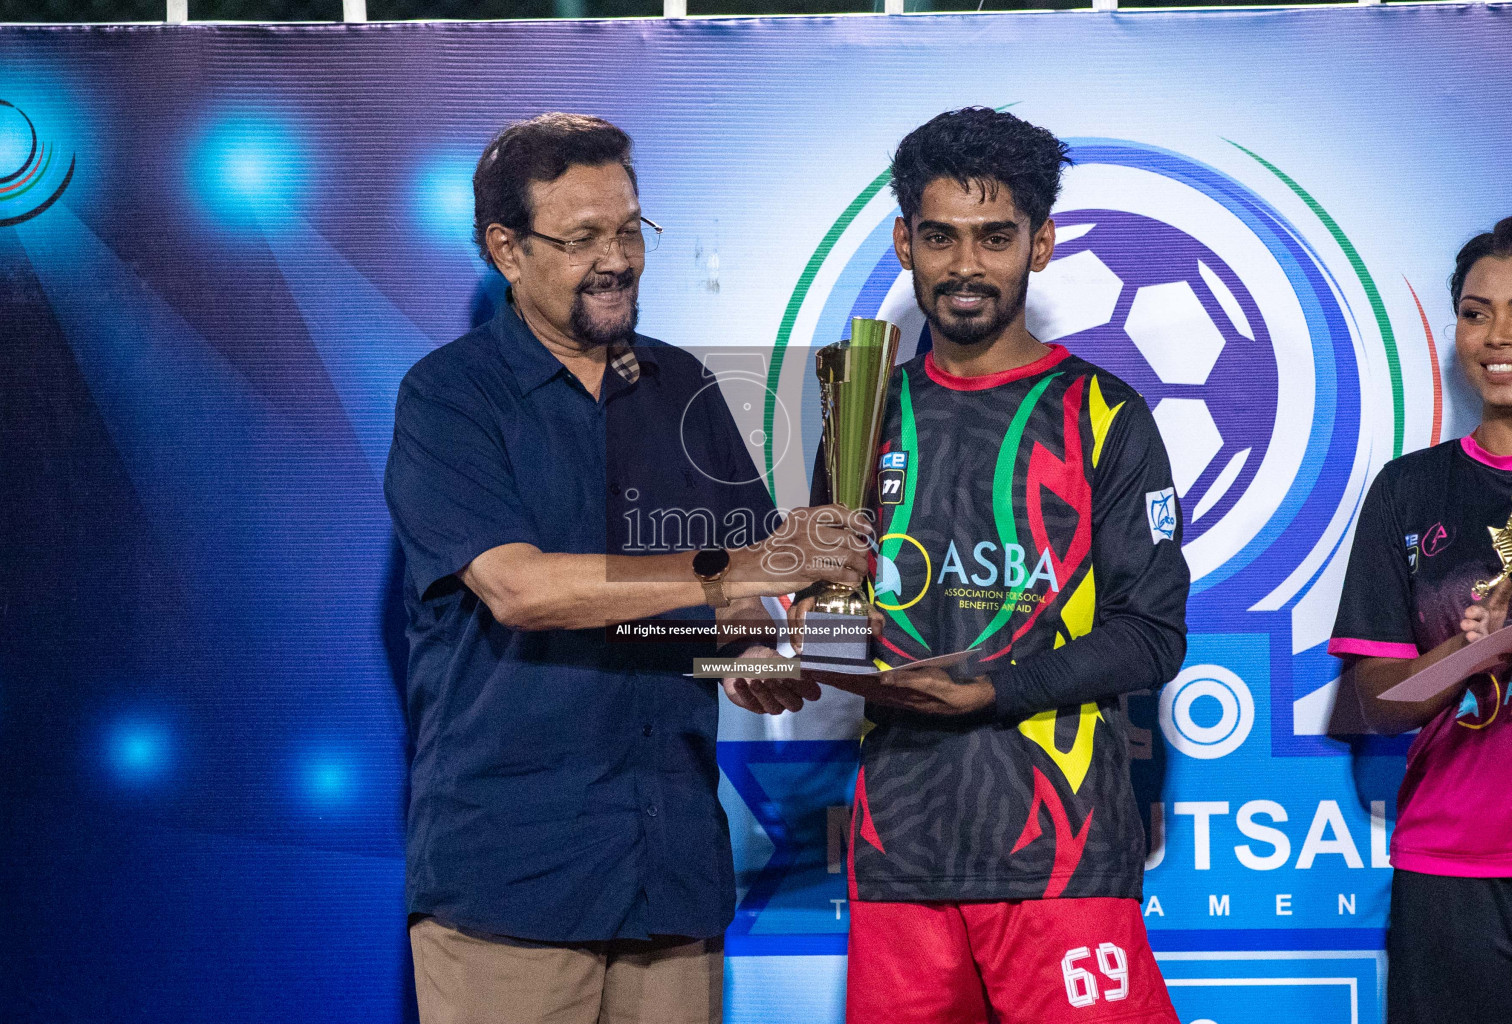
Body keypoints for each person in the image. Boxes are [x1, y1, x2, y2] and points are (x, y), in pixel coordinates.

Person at [383, 112, 858, 1024]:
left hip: (670, 876)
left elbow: (745, 600)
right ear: (506, 250)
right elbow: (520, 589)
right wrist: (739, 571)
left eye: (631, 229)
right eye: (583, 237)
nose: (618, 259)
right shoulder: (448, 398)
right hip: (514, 888)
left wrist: (755, 653)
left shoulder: (683, 388)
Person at [774, 107, 1190, 1023]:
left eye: (995, 238)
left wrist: (992, 692)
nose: (966, 266)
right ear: (903, 242)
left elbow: (1151, 637)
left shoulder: (1102, 413)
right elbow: (838, 621)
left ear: (1039, 244)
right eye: (941, 238)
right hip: (901, 863)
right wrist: (795, 648)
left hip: (1065, 864)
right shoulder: (858, 414)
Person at [1329, 215, 1512, 1024]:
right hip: (1457, 866)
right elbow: (1368, 705)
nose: (1497, 336)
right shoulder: (1410, 491)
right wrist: (1482, 648)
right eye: (1477, 313)